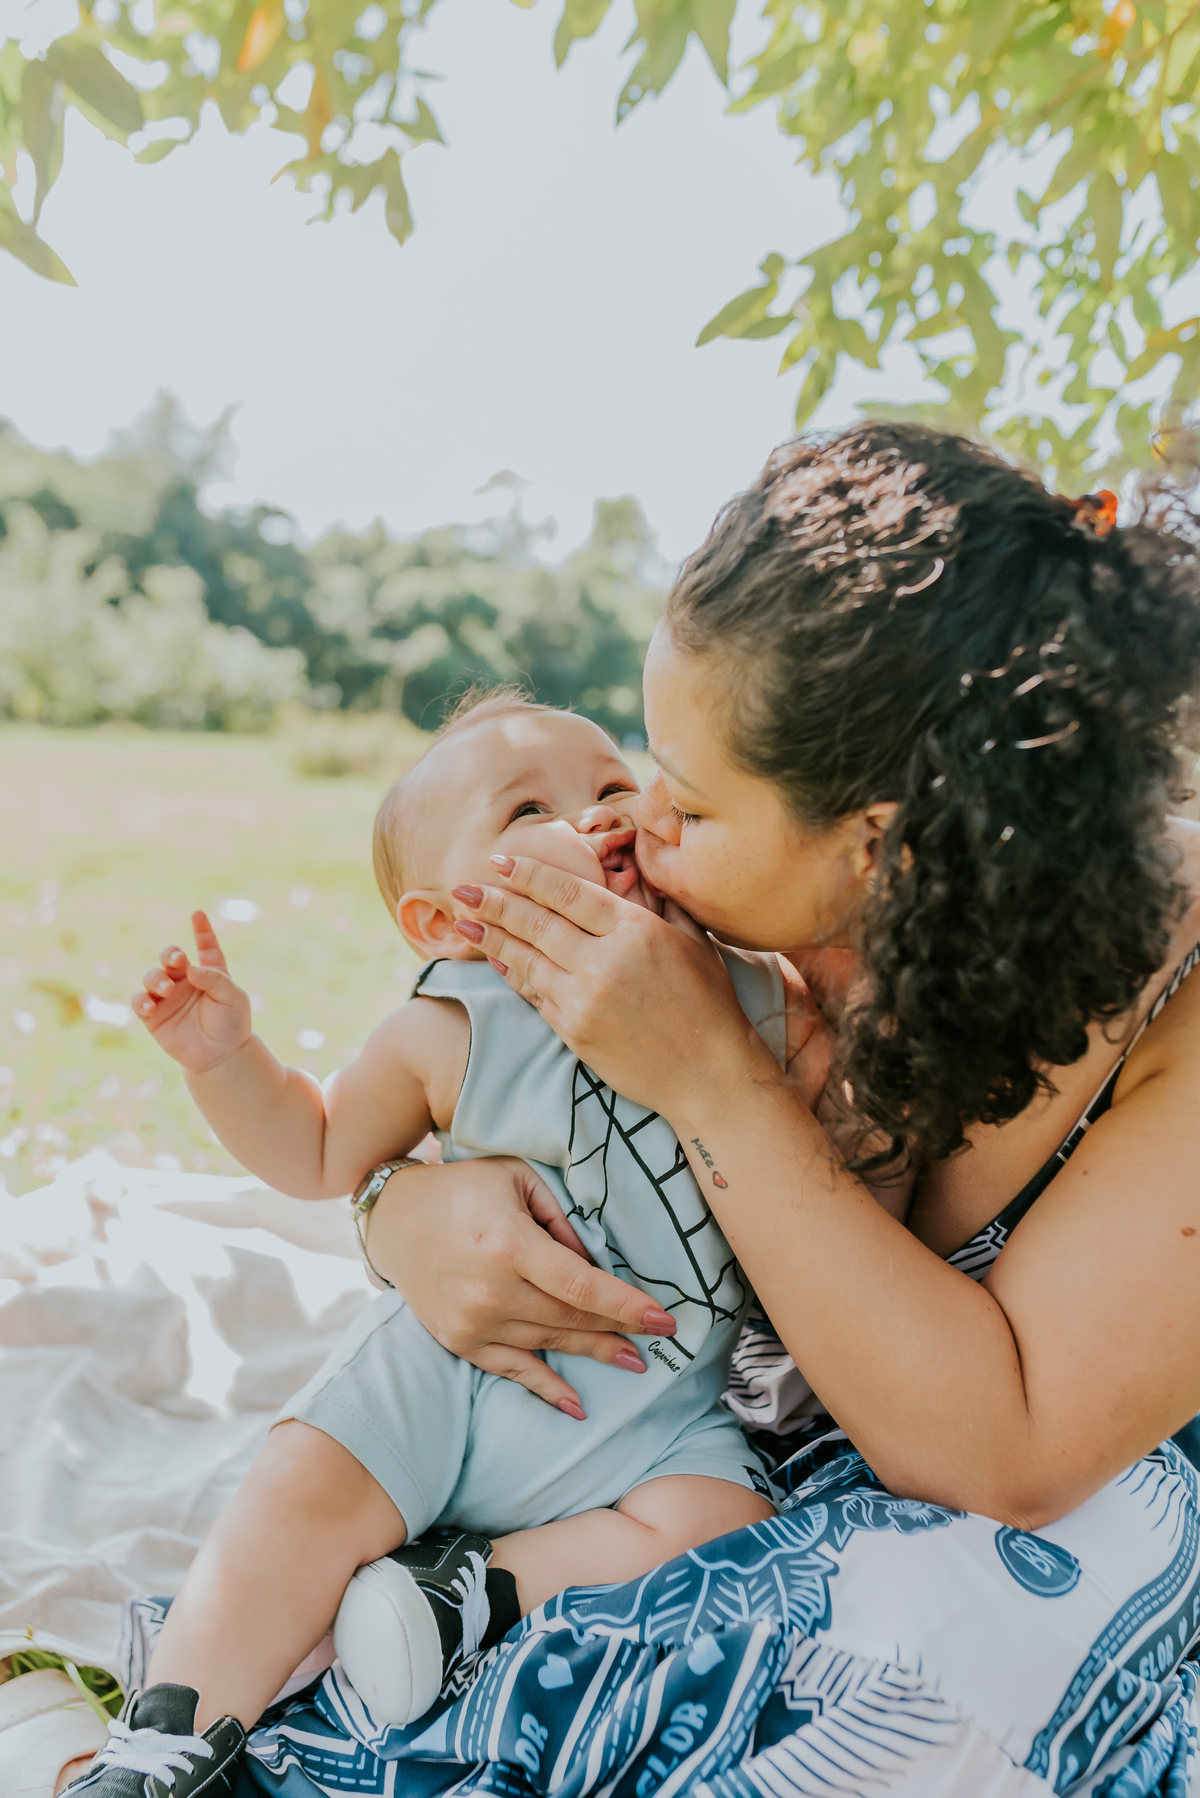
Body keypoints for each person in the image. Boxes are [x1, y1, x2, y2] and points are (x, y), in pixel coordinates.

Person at [238, 424, 1200, 1798]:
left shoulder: (1177, 992)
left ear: (883, 840)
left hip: (1034, 1487)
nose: (634, 830)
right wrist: (405, 1212)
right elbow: (472, 1088)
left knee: (932, 1667)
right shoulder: (739, 911)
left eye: (680, 800)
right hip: (710, 1433)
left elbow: (1011, 1454)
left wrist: (714, 1082)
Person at [67, 694, 791, 1798]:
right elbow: (317, 1148)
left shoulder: (737, 979)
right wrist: (225, 1059)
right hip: (450, 1380)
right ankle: (166, 1740)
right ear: (449, 921)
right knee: (303, 1488)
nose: (597, 814)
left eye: (611, 785)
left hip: (657, 1408)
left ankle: (474, 1590)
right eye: (531, 808)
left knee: (727, 1526)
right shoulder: (456, 1020)